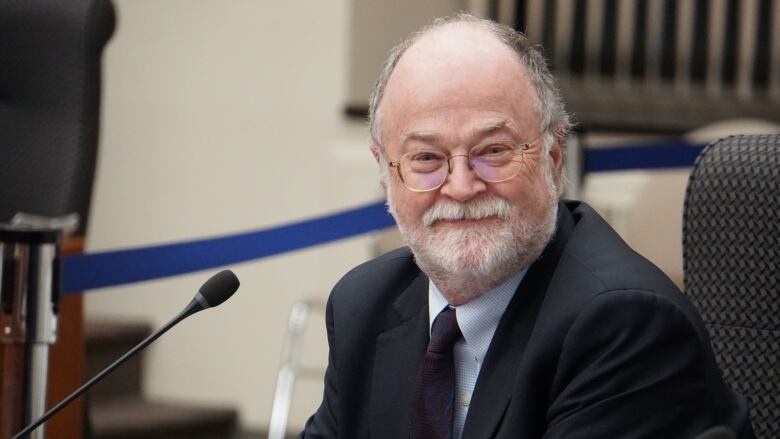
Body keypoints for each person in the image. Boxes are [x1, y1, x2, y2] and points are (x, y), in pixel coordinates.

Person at [300, 13, 753, 439]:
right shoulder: (365, 304)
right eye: (426, 158)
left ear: (553, 159)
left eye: (493, 151)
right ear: (386, 173)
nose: (460, 187)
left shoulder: (625, 324)